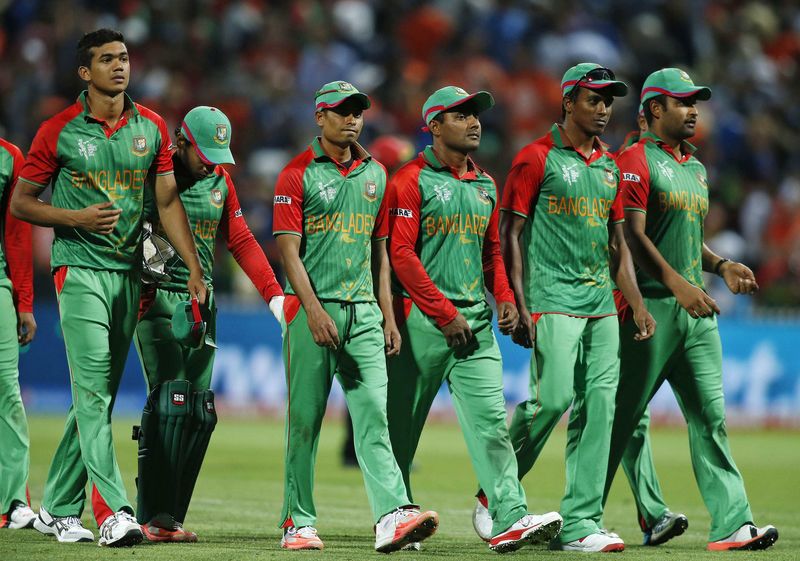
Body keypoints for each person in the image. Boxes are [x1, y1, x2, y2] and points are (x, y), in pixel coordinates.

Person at [11, 28, 207, 548]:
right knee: (96, 392)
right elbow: (22, 203)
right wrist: (74, 216)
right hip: (78, 271)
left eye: (123, 58)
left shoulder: (152, 127)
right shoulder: (58, 131)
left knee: (95, 396)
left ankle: (56, 505)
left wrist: (192, 266)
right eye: (106, 59)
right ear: (85, 72)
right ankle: (116, 512)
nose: (119, 66)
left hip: (128, 273)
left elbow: (167, 203)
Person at [606, 67, 778, 551]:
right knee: (623, 419)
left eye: (696, 102)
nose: (694, 110)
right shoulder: (634, 160)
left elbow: (686, 238)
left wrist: (719, 264)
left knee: (710, 417)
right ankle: (589, 518)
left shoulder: (694, 167)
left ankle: (732, 523)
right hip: (645, 307)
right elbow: (632, 237)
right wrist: (678, 285)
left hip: (693, 311)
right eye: (683, 102)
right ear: (655, 109)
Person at [386, 86, 563, 554]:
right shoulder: (410, 180)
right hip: (421, 323)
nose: (474, 122)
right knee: (402, 431)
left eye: (476, 114)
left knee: (492, 427)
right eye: (461, 115)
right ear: (434, 125)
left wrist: (503, 296)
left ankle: (509, 516)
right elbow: (401, 255)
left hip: (476, 327)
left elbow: (490, 253)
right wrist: (443, 314)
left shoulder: (485, 183)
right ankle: (398, 518)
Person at [490, 62, 656, 553]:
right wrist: (517, 301)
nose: (603, 109)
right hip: (550, 297)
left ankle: (582, 522)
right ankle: (496, 489)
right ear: (568, 102)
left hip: (601, 302)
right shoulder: (534, 158)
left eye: (608, 101)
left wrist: (636, 301)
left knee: (600, 408)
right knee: (554, 399)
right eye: (593, 99)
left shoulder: (609, 166)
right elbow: (509, 235)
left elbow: (618, 241)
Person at [272, 80, 438, 553]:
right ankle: (297, 522)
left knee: (374, 420)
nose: (352, 119)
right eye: (342, 111)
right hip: (312, 313)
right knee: (305, 421)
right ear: (319, 117)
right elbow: (289, 253)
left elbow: (380, 252)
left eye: (358, 111)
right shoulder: (296, 174)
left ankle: (391, 515)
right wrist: (312, 309)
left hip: (364, 312)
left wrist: (388, 315)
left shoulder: (377, 175)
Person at [132, 106, 284, 542]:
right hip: (159, 299)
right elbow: (138, 231)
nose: (212, 163)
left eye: (219, 153)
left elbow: (239, 240)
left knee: (198, 412)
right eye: (204, 153)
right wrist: (149, 289)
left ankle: (170, 516)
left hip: (204, 304)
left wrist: (274, 296)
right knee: (169, 404)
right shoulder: (156, 175)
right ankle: (152, 514)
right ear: (180, 142)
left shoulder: (220, 181)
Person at [610, 103, 689, 547]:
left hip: (618, 307)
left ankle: (651, 512)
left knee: (627, 417)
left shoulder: (626, 166)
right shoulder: (627, 165)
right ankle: (505, 502)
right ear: (645, 119)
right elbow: (622, 244)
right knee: (595, 410)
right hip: (596, 308)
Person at [0, 137, 37, 530]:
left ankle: (12, 503)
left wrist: (23, 301)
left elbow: (16, 236)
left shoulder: (9, 158)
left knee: (7, 391)